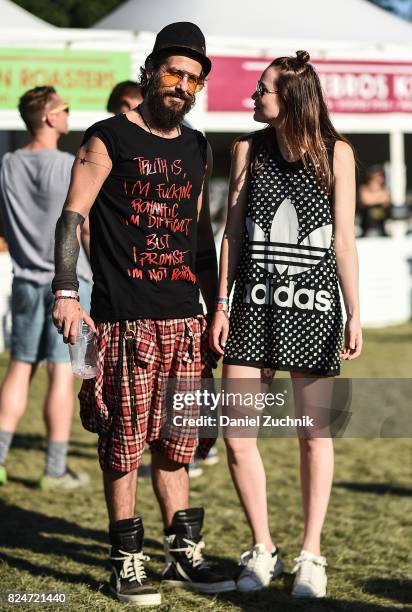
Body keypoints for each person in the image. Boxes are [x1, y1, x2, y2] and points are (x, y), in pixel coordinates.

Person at [52, 22, 235, 606]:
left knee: (177, 444)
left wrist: (217, 308)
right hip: (124, 318)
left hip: (186, 316)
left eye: (193, 79)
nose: (181, 85)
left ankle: (181, 556)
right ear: (151, 71)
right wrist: (65, 292)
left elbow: (200, 234)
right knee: (124, 441)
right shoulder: (107, 137)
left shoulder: (198, 146)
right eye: (174, 72)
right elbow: (70, 219)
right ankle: (124, 559)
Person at [210, 50, 362, 598]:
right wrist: (222, 304)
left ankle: (311, 555)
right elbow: (231, 233)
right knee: (237, 435)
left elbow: (344, 241)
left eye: (263, 90)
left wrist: (353, 311)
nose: (253, 97)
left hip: (316, 307)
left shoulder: (336, 154)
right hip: (251, 306)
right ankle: (262, 548)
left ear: (291, 98)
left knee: (314, 436)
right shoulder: (246, 148)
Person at [0, 86, 91, 490]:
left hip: (24, 279)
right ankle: (54, 469)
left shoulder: (7, 164)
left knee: (19, 369)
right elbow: (80, 227)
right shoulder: (70, 164)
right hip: (67, 285)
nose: (69, 114)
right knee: (61, 375)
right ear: (50, 117)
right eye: (65, 108)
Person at [358, 165, 390, 237]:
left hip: (381, 228)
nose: (380, 178)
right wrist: (379, 197)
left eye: (381, 176)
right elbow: (366, 200)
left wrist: (375, 197)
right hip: (368, 228)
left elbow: (386, 200)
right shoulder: (363, 188)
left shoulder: (384, 190)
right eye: (378, 176)